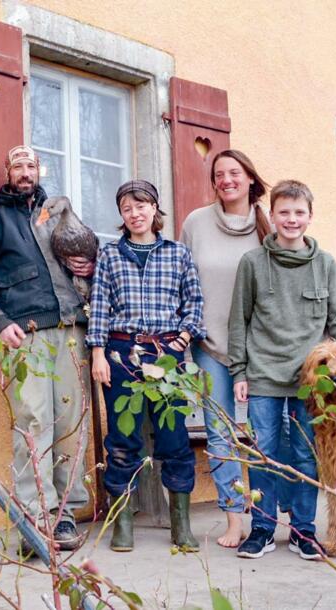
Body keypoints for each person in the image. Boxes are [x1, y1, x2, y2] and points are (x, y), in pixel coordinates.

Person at [0, 145, 91, 553]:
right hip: (28, 333)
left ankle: (65, 514)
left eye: (30, 164)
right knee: (35, 425)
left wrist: (88, 266)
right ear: (7, 170)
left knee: (70, 426)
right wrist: (0, 324)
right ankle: (35, 518)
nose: (24, 170)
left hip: (71, 328)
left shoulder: (58, 214)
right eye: (17, 164)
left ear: (40, 170)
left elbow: (85, 260)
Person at [228, 179, 336, 561]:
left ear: (310, 217)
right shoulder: (252, 263)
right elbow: (240, 320)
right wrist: (239, 373)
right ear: (272, 215)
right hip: (264, 376)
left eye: (299, 212)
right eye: (283, 212)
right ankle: (263, 529)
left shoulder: (326, 265)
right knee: (263, 453)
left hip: (313, 384)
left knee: (305, 457)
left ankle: (304, 530)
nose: (291, 219)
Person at [87, 180, 205, 552]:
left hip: (167, 354)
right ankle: (123, 522)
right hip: (121, 354)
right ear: (121, 215)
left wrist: (182, 342)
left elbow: (194, 303)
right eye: (127, 208)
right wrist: (97, 354)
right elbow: (100, 307)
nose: (135, 214)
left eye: (141, 206)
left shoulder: (178, 254)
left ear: (155, 209)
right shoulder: (110, 255)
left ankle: (180, 525)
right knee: (123, 440)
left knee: (174, 438)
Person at [178, 149, 270, 548]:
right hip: (209, 345)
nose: (227, 179)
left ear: (250, 177)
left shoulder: (268, 226)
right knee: (220, 435)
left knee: (268, 435)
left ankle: (268, 520)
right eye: (219, 174)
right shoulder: (196, 223)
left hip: (262, 349)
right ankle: (234, 520)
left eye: (235, 172)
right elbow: (180, 281)